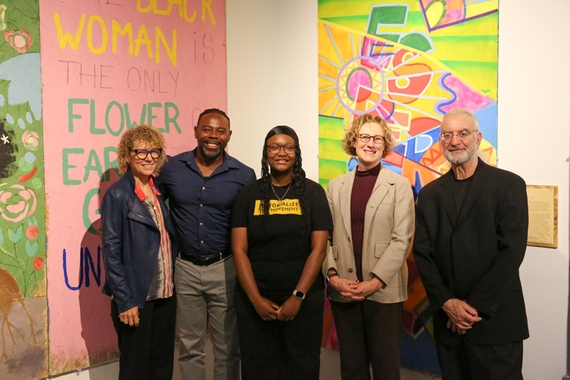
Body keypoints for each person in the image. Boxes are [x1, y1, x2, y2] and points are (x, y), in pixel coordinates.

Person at [413, 108, 529, 379]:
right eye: (447, 135)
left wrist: (470, 308)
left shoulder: (508, 185)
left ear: (477, 138)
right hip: (448, 325)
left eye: (463, 133)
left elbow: (511, 252)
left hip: (494, 323)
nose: (455, 141)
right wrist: (448, 303)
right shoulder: (430, 195)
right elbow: (423, 254)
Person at [156, 108, 255, 380]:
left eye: (220, 131)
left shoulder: (244, 176)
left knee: (227, 348)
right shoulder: (171, 168)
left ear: (229, 136)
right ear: (197, 131)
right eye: (207, 129)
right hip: (184, 268)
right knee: (190, 347)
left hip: (225, 268)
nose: (213, 136)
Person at [231, 125, 333, 380]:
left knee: (301, 368)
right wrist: (255, 299)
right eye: (274, 147)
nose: (281, 152)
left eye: (288, 147)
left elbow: (319, 249)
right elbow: (239, 250)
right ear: (266, 153)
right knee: (257, 369)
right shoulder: (248, 194)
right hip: (254, 300)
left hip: (303, 300)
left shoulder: (313, 193)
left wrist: (297, 297)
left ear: (296, 152)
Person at [323, 114, 415, 380]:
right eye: (364, 137)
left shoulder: (399, 186)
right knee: (352, 368)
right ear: (354, 141)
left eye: (377, 138)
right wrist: (333, 277)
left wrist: (375, 281)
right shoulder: (335, 186)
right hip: (345, 290)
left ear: (384, 145)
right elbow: (325, 238)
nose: (370, 143)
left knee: (386, 368)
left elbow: (402, 239)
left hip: (384, 293)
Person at [101, 124, 177, 380]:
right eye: (140, 152)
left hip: (164, 294)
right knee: (135, 369)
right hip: (137, 299)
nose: (148, 157)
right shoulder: (118, 194)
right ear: (127, 156)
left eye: (154, 151)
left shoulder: (156, 190)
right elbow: (111, 250)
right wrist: (125, 300)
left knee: (161, 365)